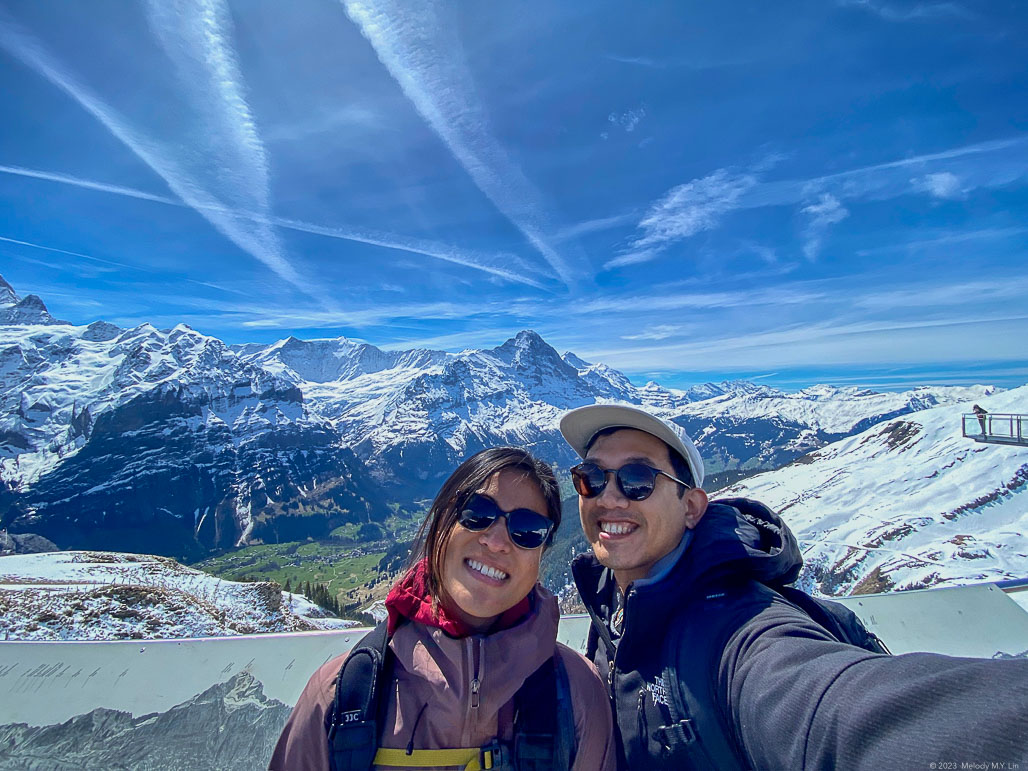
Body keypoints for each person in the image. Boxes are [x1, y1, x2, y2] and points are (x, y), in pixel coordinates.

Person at [560, 403, 1028, 770]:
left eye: (638, 479)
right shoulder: (613, 603)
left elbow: (837, 711)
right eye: (592, 478)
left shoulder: (739, 633)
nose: (609, 496)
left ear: (693, 507)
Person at [270, 447, 615, 771]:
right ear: (442, 521)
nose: (495, 541)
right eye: (478, 513)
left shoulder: (577, 695)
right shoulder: (343, 697)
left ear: (543, 552)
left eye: (527, 530)